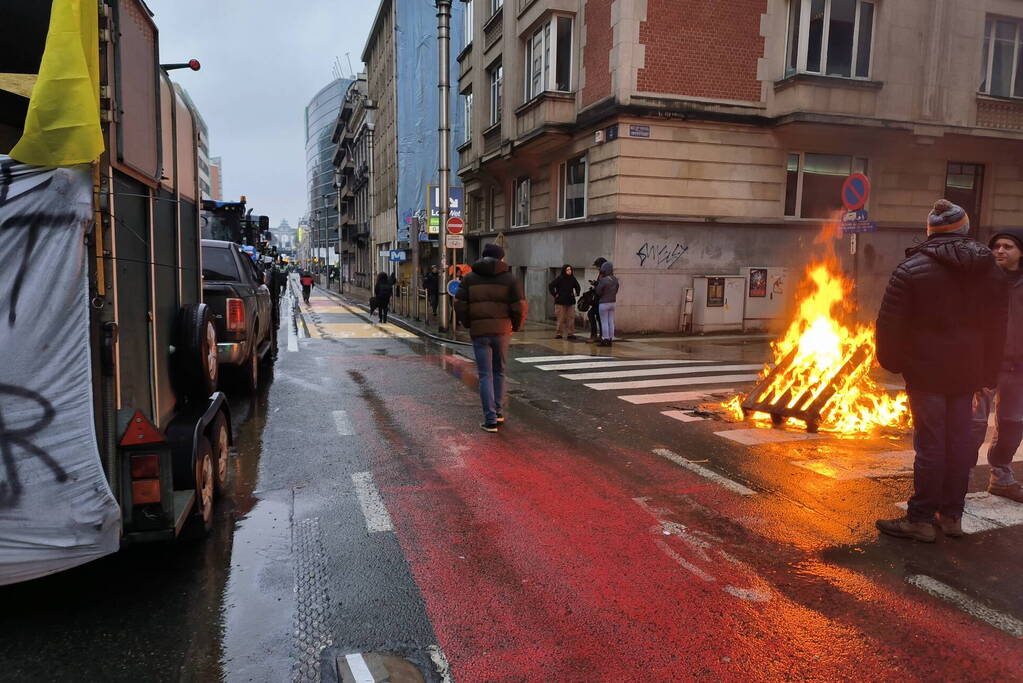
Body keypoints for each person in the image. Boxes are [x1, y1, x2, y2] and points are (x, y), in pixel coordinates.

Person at [875, 200, 1008, 542]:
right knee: (959, 443)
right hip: (967, 373)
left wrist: (892, 362)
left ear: (931, 231)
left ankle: (919, 519)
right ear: (965, 229)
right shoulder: (990, 269)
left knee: (931, 446)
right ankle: (951, 516)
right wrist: (989, 371)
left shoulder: (912, 268)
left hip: (926, 371)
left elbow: (890, 324)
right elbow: (997, 327)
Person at [972, 227, 1023, 503]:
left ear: (1020, 252)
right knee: (973, 426)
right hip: (984, 367)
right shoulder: (983, 280)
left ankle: (1001, 478)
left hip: (1019, 367)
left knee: (1014, 424)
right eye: (996, 246)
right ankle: (958, 483)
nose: (1000, 251)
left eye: (1008, 246)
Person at [454, 243, 527, 432]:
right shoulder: (510, 279)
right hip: (502, 331)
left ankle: (490, 419)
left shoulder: (470, 278)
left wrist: (469, 323)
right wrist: (515, 326)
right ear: (501, 259)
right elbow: (519, 306)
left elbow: (459, 303)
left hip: (480, 332)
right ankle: (499, 412)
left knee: (485, 375)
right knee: (499, 372)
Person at [549, 264, 581, 340]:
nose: (569, 271)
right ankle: (559, 333)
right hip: (560, 302)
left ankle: (570, 334)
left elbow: (577, 287)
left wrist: (576, 293)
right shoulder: (560, 278)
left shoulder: (572, 278)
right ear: (564, 271)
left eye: (570, 270)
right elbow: (551, 285)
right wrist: (555, 294)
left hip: (570, 301)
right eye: (567, 270)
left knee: (571, 318)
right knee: (561, 318)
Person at [594, 261, 619, 347]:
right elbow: (616, 289)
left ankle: (605, 339)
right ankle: (611, 338)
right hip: (613, 302)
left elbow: (598, 291)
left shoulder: (603, 280)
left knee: (604, 321)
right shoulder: (615, 279)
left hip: (604, 303)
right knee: (610, 321)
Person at [587, 257, 607, 342]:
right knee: (598, 317)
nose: (597, 268)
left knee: (591, 314)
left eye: (597, 266)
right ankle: (600, 335)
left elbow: (603, 285)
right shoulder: (602, 273)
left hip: (601, 300)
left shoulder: (605, 274)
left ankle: (595, 335)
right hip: (599, 299)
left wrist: (596, 284)